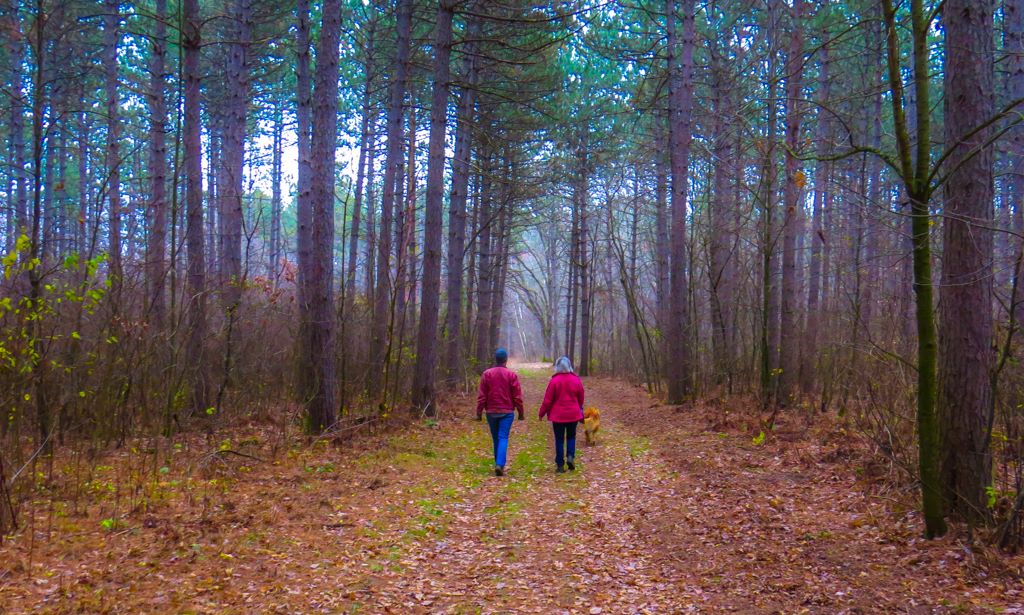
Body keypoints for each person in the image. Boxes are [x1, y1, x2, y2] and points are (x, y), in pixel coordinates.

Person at [476, 348, 525, 476]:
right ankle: (500, 464)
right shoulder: (511, 375)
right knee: (503, 437)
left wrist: (479, 412)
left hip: (491, 412)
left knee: (495, 438)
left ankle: (498, 463)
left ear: (495, 359)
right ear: (505, 360)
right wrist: (520, 412)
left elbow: (482, 395)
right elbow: (517, 397)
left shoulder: (487, 374)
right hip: (507, 412)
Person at [538, 356, 585, 473]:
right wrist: (579, 407)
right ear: (569, 366)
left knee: (559, 439)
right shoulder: (576, 380)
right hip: (573, 414)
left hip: (558, 416)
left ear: (558, 367)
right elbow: (581, 396)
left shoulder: (554, 381)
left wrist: (541, 413)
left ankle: (560, 465)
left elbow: (547, 400)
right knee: (571, 436)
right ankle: (570, 456)